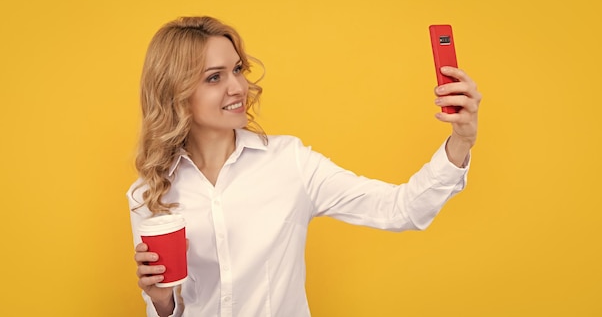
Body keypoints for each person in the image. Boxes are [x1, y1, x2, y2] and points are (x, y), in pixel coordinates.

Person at [127, 16, 481, 317]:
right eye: (214, 77)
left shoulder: (290, 162)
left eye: (237, 69)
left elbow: (400, 209)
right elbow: (167, 306)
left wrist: (461, 140)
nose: (238, 87)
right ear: (176, 93)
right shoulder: (149, 193)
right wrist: (160, 301)